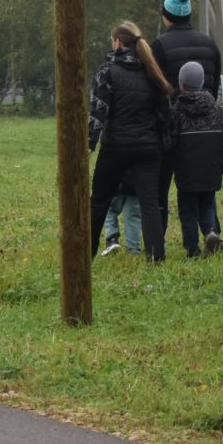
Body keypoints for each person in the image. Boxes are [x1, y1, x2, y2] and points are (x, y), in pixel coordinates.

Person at [88, 21, 172, 263]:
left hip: (116, 146)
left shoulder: (107, 70)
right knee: (150, 203)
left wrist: (90, 142)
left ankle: (87, 254)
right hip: (148, 147)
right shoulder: (152, 70)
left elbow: (98, 110)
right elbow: (165, 113)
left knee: (100, 200)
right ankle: (157, 256)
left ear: (117, 43)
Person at [152, 0, 223, 221]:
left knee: (161, 184)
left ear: (166, 16)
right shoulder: (209, 44)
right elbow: (213, 88)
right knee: (204, 184)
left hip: (171, 127)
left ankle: (158, 234)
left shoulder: (159, 46)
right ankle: (212, 230)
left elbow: (155, 88)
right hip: (205, 128)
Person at [168, 61, 223, 257]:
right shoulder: (214, 107)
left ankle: (192, 250)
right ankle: (210, 232)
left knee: (188, 210)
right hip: (211, 169)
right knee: (207, 203)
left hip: (186, 171)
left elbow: (170, 140)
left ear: (181, 83)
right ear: (202, 82)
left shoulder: (177, 109)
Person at [98, 190, 143, 257]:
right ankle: (133, 250)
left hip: (117, 185)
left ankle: (112, 240)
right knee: (133, 216)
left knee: (109, 208)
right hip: (135, 186)